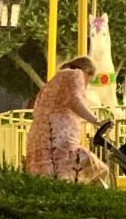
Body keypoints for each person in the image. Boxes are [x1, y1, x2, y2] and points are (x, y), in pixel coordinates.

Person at [25, 57, 110, 185]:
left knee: (55, 180)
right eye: (89, 81)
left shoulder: (56, 80)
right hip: (60, 142)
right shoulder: (75, 74)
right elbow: (74, 101)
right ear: (87, 71)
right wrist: (97, 121)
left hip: (40, 142)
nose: (86, 86)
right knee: (101, 170)